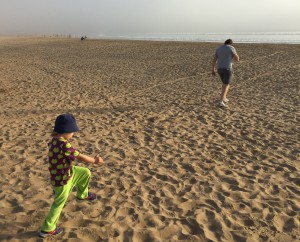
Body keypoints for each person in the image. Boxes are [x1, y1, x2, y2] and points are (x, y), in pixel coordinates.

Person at [39, 113, 104, 238]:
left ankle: (82, 194)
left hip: (67, 171)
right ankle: (47, 229)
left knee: (85, 173)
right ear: (65, 131)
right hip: (62, 180)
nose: (73, 134)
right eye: (72, 131)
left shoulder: (54, 140)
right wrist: (95, 161)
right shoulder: (64, 145)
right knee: (59, 203)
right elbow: (80, 156)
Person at [212, 39, 240, 107]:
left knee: (226, 83)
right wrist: (235, 56)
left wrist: (213, 69)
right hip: (227, 68)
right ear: (230, 44)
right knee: (225, 84)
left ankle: (224, 98)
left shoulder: (218, 48)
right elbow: (237, 59)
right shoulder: (231, 48)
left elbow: (214, 60)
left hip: (219, 69)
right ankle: (221, 101)